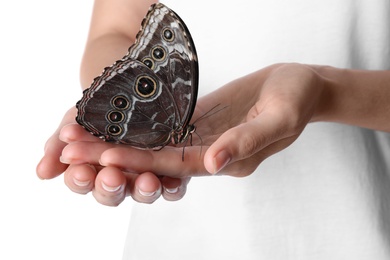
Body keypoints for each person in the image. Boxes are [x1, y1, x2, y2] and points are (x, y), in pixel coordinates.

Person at [37, 0, 390, 259]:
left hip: (356, 239)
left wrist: (328, 92)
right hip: (175, 244)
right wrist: (118, 98)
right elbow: (113, 31)